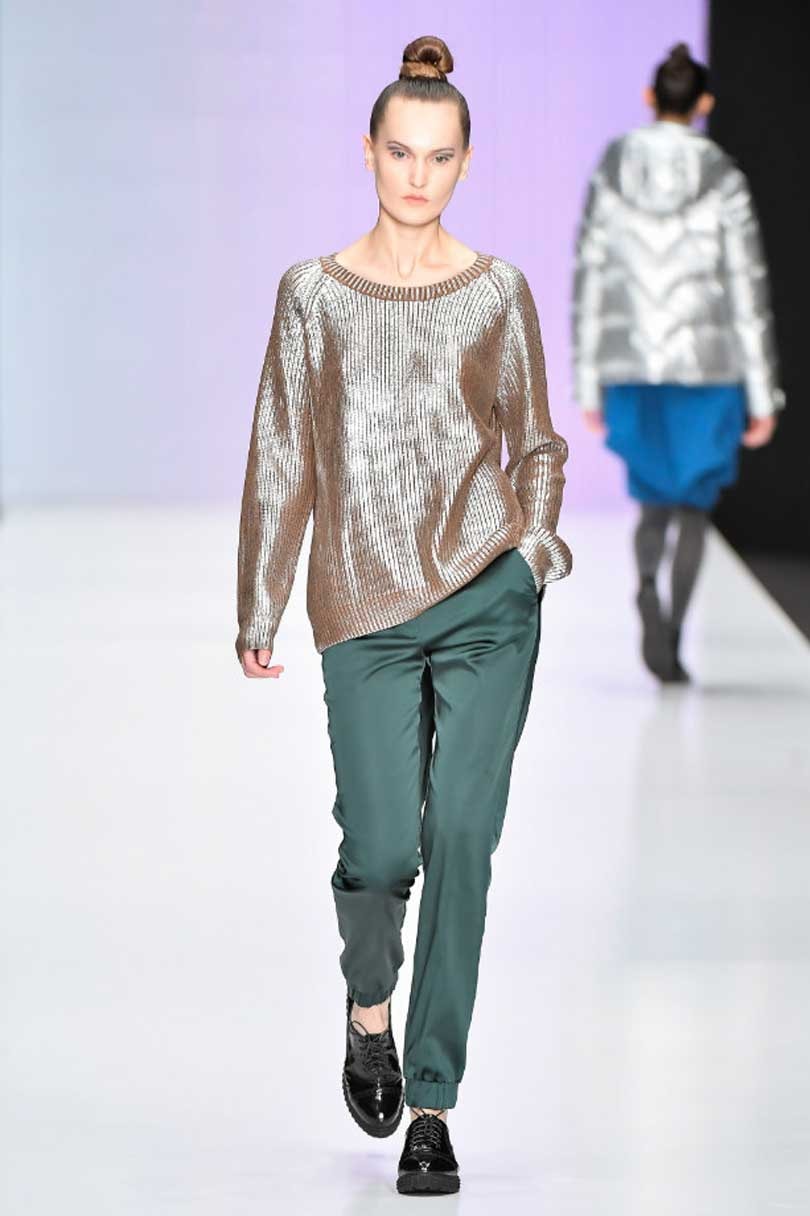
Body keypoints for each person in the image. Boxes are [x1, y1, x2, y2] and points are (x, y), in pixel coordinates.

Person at [234, 34, 572, 1196]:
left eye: (438, 155)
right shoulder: (313, 295)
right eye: (399, 151)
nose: (417, 175)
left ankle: (432, 1103)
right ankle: (367, 1006)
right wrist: (261, 597)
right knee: (381, 852)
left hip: (487, 600)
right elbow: (283, 450)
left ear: (466, 161)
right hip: (363, 604)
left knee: (463, 840)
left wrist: (531, 554)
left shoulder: (498, 292)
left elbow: (536, 441)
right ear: (369, 151)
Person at [572, 42, 784, 682]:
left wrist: (588, 382)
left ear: (649, 96)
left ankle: (645, 586)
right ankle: (672, 633)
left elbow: (590, 275)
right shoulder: (723, 175)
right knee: (693, 508)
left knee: (651, 503)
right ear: (705, 103)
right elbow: (747, 287)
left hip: (633, 368)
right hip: (709, 369)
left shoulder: (613, 166)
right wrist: (764, 395)